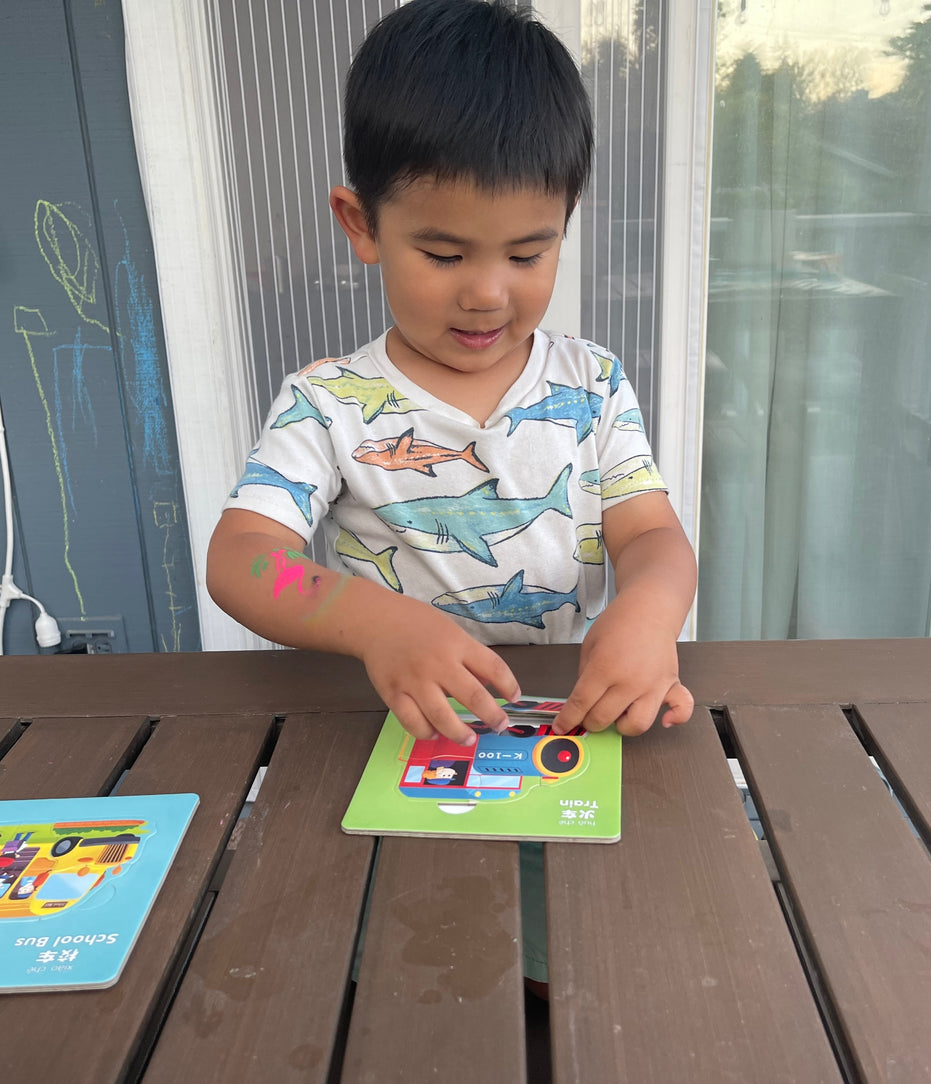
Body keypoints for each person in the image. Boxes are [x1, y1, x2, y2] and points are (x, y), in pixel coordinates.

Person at [206, 0, 697, 986]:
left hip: (568, 729)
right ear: (361, 225)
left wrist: (648, 616)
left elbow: (650, 534)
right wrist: (376, 623)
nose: (488, 292)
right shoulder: (328, 404)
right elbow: (241, 559)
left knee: (578, 959)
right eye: (443, 254)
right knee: (408, 966)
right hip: (388, 748)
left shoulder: (589, 384)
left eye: (528, 252)